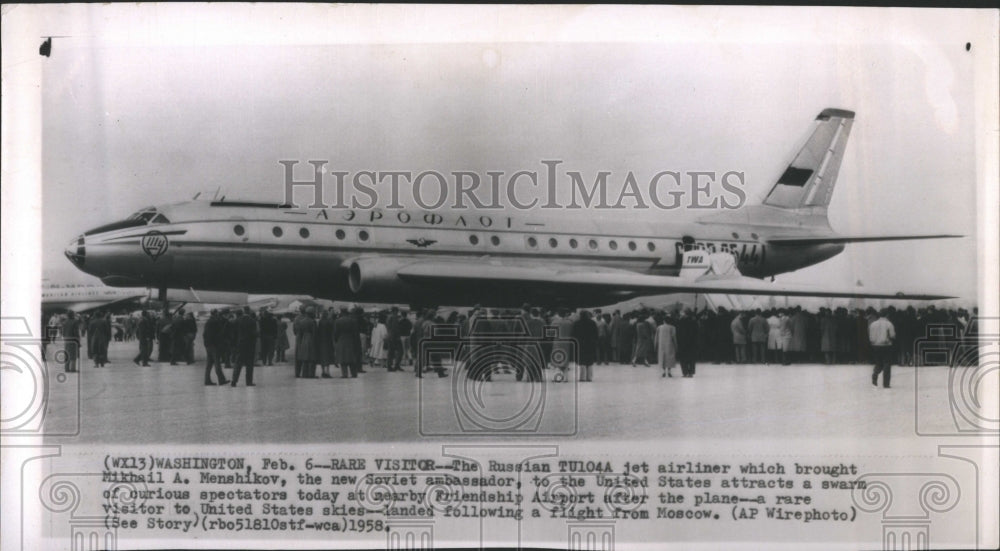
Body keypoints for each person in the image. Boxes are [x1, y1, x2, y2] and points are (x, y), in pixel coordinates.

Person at [869, 309, 896, 388]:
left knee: (878, 362)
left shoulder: (873, 324)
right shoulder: (889, 324)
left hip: (875, 345)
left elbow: (870, 336)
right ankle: (886, 383)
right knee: (887, 363)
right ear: (887, 315)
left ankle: (875, 373)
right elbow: (892, 335)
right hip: (886, 345)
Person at [231, 306, 258, 387]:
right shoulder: (252, 321)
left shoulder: (237, 321)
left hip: (240, 345)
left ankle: (234, 381)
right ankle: (249, 382)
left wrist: (234, 345)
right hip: (250, 345)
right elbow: (255, 334)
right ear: (249, 311)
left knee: (238, 363)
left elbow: (234, 334)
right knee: (249, 364)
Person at [202, 310, 229, 386]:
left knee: (209, 364)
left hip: (208, 345)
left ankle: (207, 380)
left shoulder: (208, 321)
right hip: (214, 345)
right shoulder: (215, 322)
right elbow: (218, 335)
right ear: (216, 314)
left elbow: (204, 334)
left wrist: (206, 343)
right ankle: (221, 380)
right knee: (217, 363)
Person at [334, 307, 362, 378]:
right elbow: (356, 333)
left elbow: (336, 333)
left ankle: (344, 374)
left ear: (341, 312)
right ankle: (354, 373)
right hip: (351, 340)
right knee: (352, 357)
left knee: (343, 358)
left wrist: (336, 340)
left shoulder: (338, 321)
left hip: (341, 340)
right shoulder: (353, 321)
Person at [572, 310, 598, 382]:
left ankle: (582, 377)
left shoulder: (577, 323)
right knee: (589, 361)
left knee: (582, 361)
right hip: (590, 344)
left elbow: (574, 335)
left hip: (580, 344)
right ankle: (589, 377)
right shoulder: (592, 323)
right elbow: (596, 335)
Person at [293, 307, 317, 378]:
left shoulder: (298, 319)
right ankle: (311, 374)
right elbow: (315, 333)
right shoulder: (312, 321)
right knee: (312, 357)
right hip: (311, 339)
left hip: (301, 339)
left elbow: (295, 331)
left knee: (301, 356)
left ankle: (300, 373)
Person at [676, 309, 698, 378]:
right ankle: (691, 372)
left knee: (683, 358)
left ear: (685, 314)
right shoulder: (694, 321)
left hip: (682, 342)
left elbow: (678, 332)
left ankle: (685, 372)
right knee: (691, 358)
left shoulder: (681, 321)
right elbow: (697, 332)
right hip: (692, 342)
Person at [655, 313, 677, 378]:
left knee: (662, 357)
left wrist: (655, 345)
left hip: (661, 345)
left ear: (664, 321)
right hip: (670, 344)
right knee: (670, 357)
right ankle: (669, 371)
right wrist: (676, 345)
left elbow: (656, 337)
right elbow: (674, 337)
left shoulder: (659, 327)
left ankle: (664, 371)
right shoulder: (672, 327)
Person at [316, 308, 335, 378]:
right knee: (328, 357)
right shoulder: (329, 322)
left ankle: (323, 371)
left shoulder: (320, 322)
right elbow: (331, 332)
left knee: (322, 358)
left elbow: (318, 332)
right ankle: (328, 372)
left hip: (321, 342)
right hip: (328, 342)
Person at [385, 307, 404, 372]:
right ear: (395, 311)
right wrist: (397, 337)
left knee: (391, 352)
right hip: (394, 337)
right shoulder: (394, 317)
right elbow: (395, 328)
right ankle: (396, 365)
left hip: (390, 336)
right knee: (400, 351)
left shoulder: (388, 317)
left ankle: (390, 366)